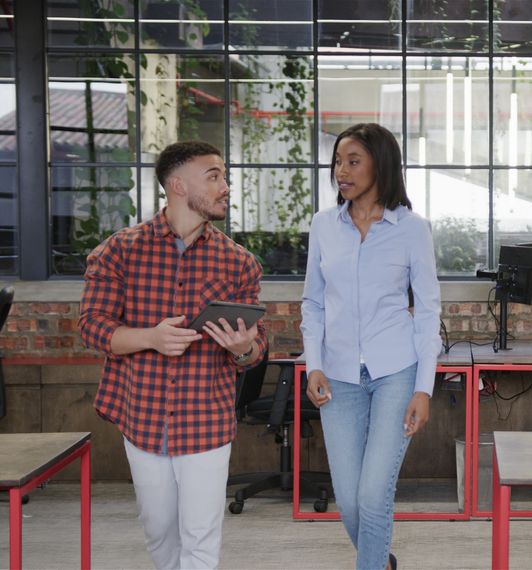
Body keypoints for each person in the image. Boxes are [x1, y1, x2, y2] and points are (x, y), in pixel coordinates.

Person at [79, 141, 267, 570]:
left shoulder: (240, 264)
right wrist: (151, 338)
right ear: (178, 185)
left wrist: (243, 350)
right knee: (160, 534)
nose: (226, 186)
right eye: (214, 175)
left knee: (201, 541)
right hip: (142, 418)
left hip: (206, 420)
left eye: (224, 175)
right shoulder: (120, 251)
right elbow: (91, 325)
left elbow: (257, 351)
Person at [301, 123, 441, 570]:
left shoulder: (413, 230)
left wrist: (424, 388)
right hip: (338, 377)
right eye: (338, 161)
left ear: (381, 165)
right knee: (349, 501)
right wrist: (314, 367)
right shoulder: (324, 226)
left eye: (353, 161)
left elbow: (427, 312)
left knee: (373, 493)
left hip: (396, 372)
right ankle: (379, 561)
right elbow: (313, 303)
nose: (342, 170)